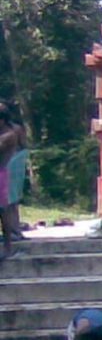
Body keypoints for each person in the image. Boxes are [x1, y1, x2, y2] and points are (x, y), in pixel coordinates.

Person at [1, 101, 29, 240]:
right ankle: (12, 231)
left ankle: (14, 231)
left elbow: (23, 147)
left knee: (10, 202)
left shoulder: (13, 131)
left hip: (10, 167)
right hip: (7, 167)